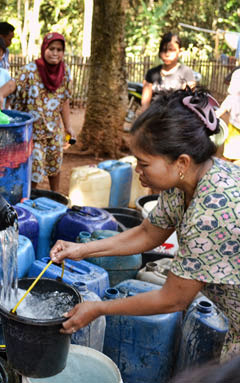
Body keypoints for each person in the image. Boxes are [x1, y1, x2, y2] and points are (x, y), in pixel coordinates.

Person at [50, 88, 239, 362]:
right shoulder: (184, 182)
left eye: (144, 164)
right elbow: (148, 233)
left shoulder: (212, 212)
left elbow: (172, 299)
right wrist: (81, 250)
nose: (138, 172)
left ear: (181, 161)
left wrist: (99, 308)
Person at [0, 32, 74, 192]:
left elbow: (64, 100)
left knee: (55, 166)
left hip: (54, 132)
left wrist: (68, 126)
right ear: (44, 48)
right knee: (35, 169)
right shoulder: (31, 70)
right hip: (34, 134)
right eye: (51, 49)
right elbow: (13, 84)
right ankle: (30, 200)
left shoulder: (65, 73)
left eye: (59, 50)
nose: (55, 53)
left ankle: (55, 197)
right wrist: (0, 94)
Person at [141, 32, 195, 112]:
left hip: (176, 117)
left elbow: (187, 102)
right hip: (154, 116)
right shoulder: (151, 73)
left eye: (171, 50)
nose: (167, 54)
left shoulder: (186, 72)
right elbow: (145, 103)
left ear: (179, 51)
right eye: (164, 50)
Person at [216, 68, 240, 161]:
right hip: (236, 126)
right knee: (230, 158)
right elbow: (231, 97)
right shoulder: (238, 74)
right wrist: (220, 111)